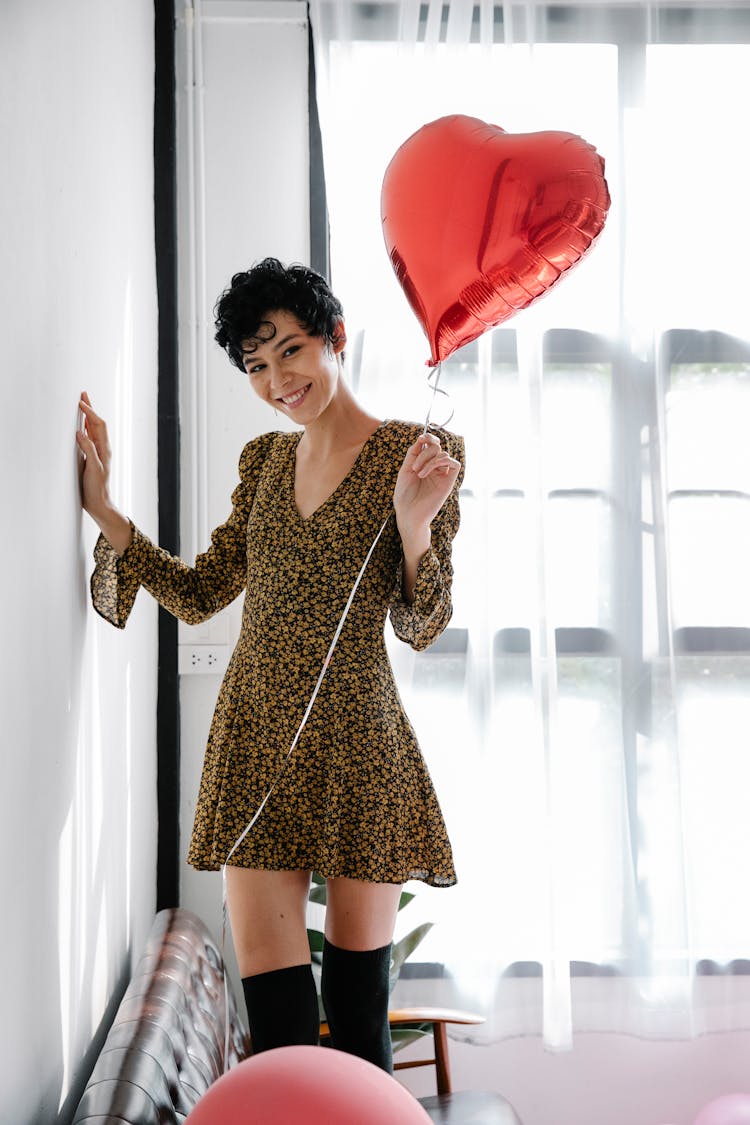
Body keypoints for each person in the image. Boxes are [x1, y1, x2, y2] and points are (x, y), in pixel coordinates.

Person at [76, 257, 464, 1073]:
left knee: (358, 1024)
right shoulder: (262, 465)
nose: (277, 378)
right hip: (254, 745)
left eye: (291, 350)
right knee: (283, 1032)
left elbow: (420, 623)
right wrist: (106, 511)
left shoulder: (416, 456)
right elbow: (197, 591)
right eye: (256, 364)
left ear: (336, 338)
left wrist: (415, 523)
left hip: (362, 749)